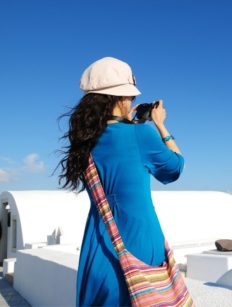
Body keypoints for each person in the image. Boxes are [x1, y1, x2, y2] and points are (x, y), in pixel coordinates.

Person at [56, 57, 185, 306]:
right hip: (138, 244)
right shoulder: (141, 133)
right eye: (131, 97)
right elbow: (175, 168)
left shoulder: (84, 141)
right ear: (121, 97)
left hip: (97, 245)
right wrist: (160, 125)